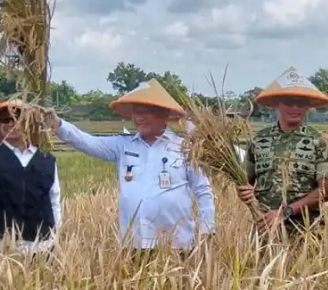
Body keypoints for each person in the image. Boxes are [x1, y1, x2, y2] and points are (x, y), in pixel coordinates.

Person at [46, 79, 215, 253]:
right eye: (136, 113)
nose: (139, 118)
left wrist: (207, 230)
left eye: (145, 112)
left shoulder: (185, 148)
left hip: (176, 246)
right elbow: (88, 142)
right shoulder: (123, 145)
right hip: (134, 245)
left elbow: (203, 190)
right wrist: (58, 125)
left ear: (163, 114)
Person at [236, 67, 328, 241]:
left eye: (300, 103)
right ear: (277, 104)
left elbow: (327, 191)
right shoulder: (259, 141)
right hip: (265, 232)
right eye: (289, 103)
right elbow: (245, 181)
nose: (295, 108)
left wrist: (286, 212)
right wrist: (243, 192)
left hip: (307, 234)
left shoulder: (320, 142)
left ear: (308, 107)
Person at [0, 101, 60, 255]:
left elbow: (54, 199)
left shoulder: (46, 160)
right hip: (5, 248)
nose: (10, 123)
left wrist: (56, 234)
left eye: (16, 118)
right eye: (5, 119)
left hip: (43, 245)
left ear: (28, 123)